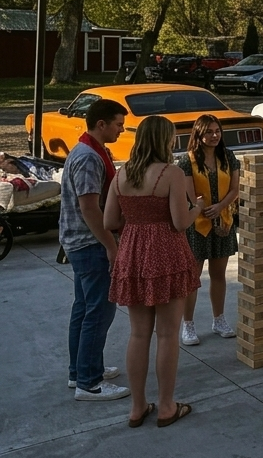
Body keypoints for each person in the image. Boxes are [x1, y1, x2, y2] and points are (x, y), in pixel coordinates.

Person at [104, 116, 203, 428]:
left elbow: (109, 221)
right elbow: (179, 222)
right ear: (165, 140)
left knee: (138, 333)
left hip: (132, 252)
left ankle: (136, 408)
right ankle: (165, 406)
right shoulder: (170, 173)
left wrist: (136, 222)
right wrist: (196, 208)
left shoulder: (121, 175)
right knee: (168, 334)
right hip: (166, 253)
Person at [59, 98, 130, 401]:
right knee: (99, 312)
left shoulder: (90, 150)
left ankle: (81, 370)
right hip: (89, 244)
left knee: (84, 308)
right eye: (118, 124)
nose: (121, 130)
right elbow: (89, 208)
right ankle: (90, 382)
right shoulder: (89, 157)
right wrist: (111, 246)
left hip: (80, 242)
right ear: (101, 124)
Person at [178, 115, 240, 346]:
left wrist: (221, 207)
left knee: (219, 274)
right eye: (209, 132)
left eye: (217, 131)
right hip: (197, 224)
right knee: (192, 277)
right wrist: (201, 207)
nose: (214, 136)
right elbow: (188, 194)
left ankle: (219, 319)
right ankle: (188, 325)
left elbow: (235, 188)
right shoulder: (187, 161)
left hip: (222, 221)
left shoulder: (228, 156)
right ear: (199, 134)